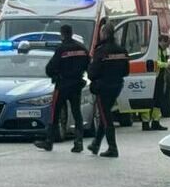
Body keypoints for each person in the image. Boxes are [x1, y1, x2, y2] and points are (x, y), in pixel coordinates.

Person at [35, 25, 89, 153]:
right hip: (76, 84)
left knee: (55, 113)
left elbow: (49, 68)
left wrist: (56, 75)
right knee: (77, 113)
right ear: (72, 33)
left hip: (63, 84)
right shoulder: (82, 48)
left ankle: (49, 142)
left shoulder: (61, 49)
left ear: (62, 34)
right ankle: (79, 142)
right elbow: (89, 65)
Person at [87, 23, 130, 158]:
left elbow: (92, 73)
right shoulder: (122, 50)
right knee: (105, 115)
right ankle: (96, 144)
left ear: (104, 34)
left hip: (103, 87)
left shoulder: (101, 51)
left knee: (106, 117)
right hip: (117, 86)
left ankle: (113, 148)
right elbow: (126, 71)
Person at [143, 34, 170, 131]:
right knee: (149, 100)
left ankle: (156, 121)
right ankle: (145, 123)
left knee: (158, 101)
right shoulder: (155, 50)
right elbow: (156, 62)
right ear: (162, 41)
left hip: (159, 78)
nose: (167, 46)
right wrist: (166, 65)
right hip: (152, 78)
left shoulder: (162, 50)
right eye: (167, 44)